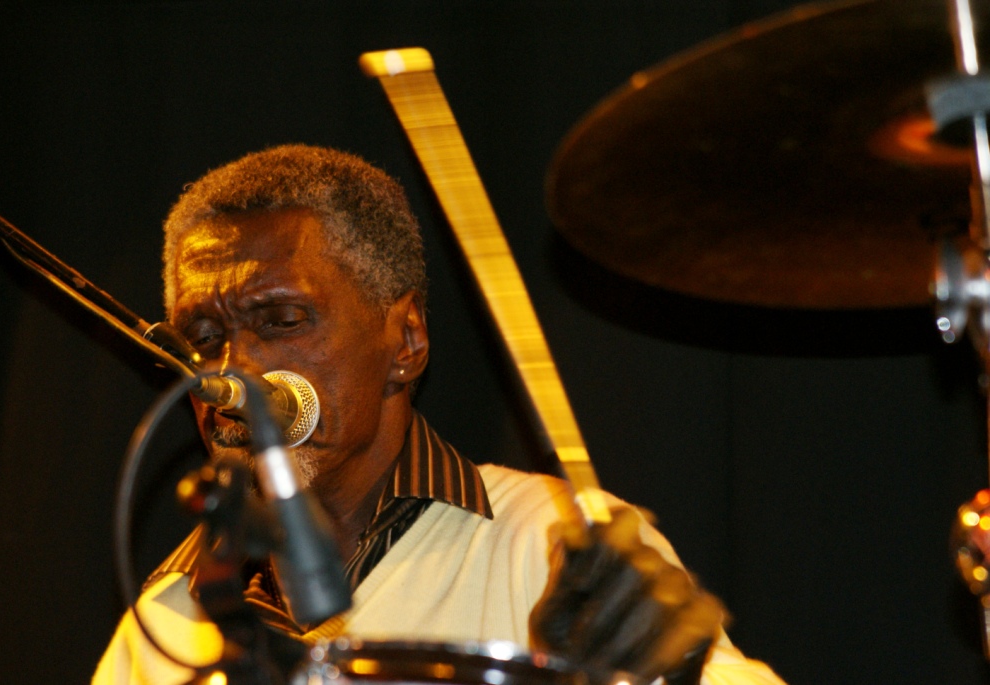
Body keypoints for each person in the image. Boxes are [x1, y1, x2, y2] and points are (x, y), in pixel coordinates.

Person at [93, 144, 785, 685]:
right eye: (203, 337)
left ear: (406, 341)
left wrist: (664, 674)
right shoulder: (161, 625)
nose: (233, 369)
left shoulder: (554, 545)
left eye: (282, 319)